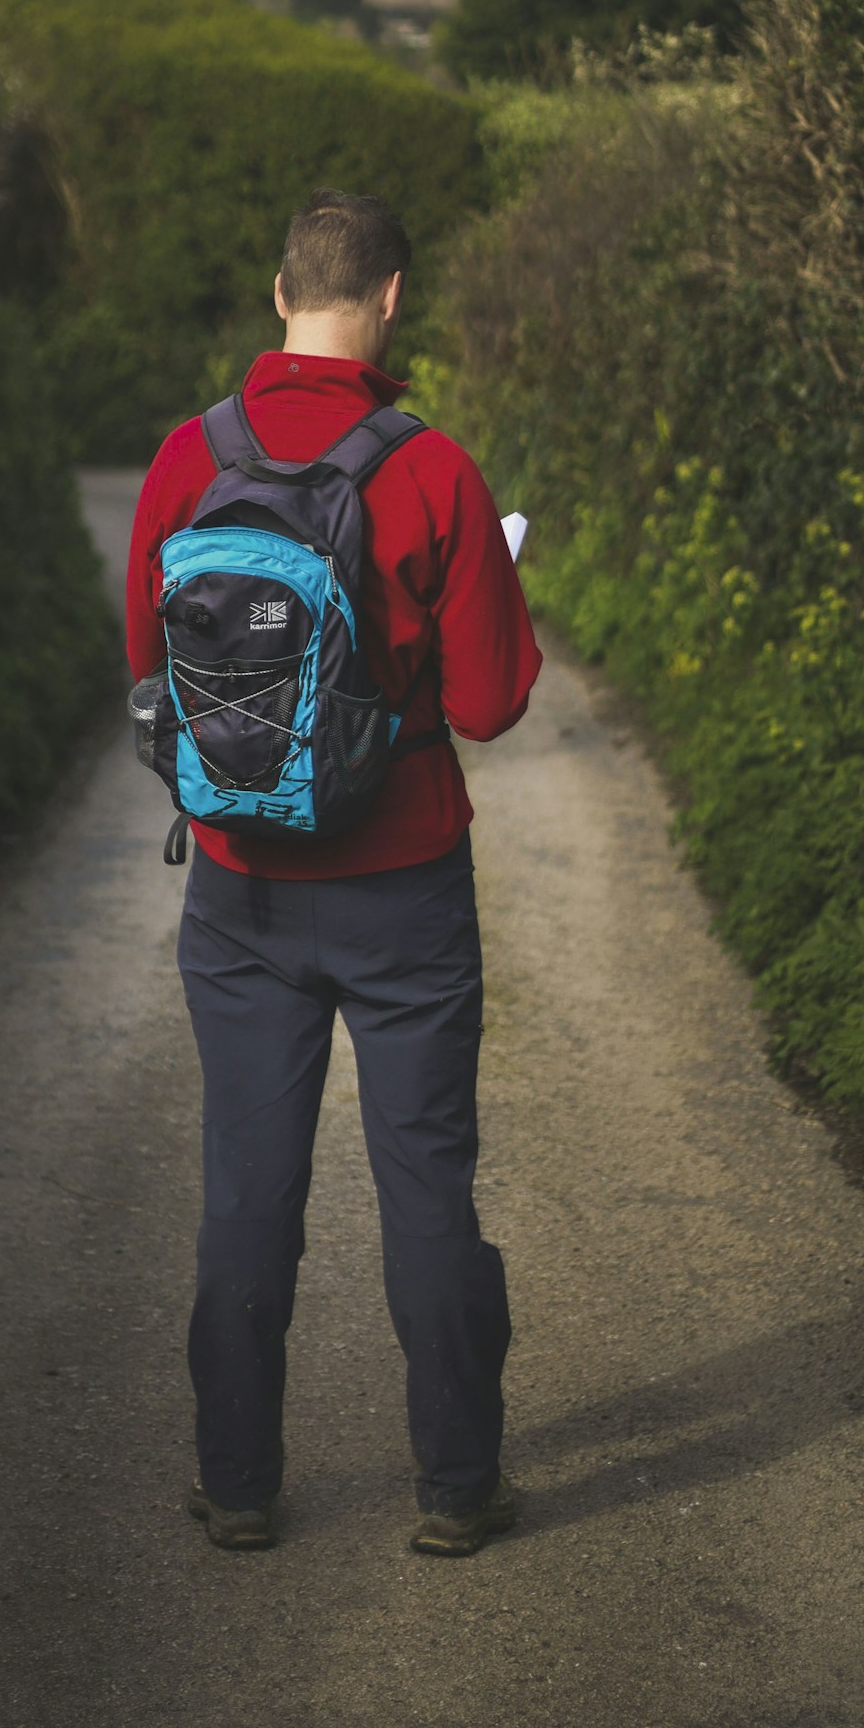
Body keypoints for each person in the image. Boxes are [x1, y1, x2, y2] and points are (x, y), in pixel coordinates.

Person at [125, 187, 542, 1557]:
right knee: (425, 1182)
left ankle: (239, 1485)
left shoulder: (192, 456)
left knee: (250, 1186)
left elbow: (149, 670)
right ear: (394, 299)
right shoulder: (434, 470)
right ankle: (454, 1487)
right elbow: (487, 704)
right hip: (405, 880)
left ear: (280, 294)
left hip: (239, 885)